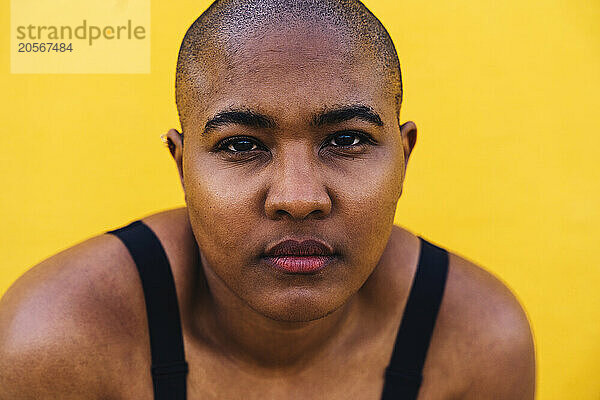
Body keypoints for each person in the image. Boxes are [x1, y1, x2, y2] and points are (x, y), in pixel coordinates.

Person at [0, 0, 535, 398]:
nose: (299, 198)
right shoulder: (54, 340)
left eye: (347, 139)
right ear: (182, 166)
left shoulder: (477, 342)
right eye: (241, 145)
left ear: (405, 155)